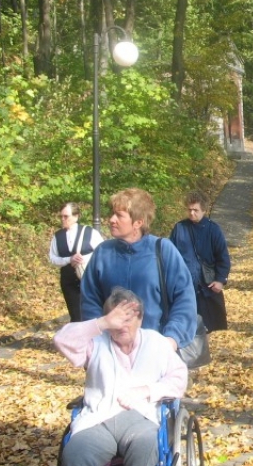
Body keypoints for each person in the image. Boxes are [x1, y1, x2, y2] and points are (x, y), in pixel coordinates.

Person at [55, 287, 188, 466]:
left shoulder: (157, 343)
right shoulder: (95, 344)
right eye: (116, 320)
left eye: (127, 319)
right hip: (98, 419)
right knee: (76, 453)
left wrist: (146, 390)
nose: (121, 325)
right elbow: (61, 340)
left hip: (143, 418)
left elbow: (179, 380)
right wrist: (101, 323)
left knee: (147, 449)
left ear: (140, 319)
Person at [81, 188, 197, 352]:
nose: (112, 219)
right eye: (112, 213)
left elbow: (185, 299)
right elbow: (89, 301)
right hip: (111, 352)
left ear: (138, 222)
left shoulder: (163, 250)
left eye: (119, 215)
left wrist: (171, 339)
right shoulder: (102, 253)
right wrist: (97, 340)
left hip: (155, 350)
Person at [169, 191, 231, 332]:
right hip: (184, 285)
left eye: (195, 210)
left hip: (206, 286)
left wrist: (220, 280)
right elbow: (170, 256)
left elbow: (223, 257)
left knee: (208, 326)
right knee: (186, 326)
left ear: (203, 210)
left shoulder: (213, 230)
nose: (192, 213)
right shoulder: (179, 229)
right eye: (189, 210)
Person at [49, 202, 104, 322]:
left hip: (89, 280)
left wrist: (84, 260)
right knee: (76, 316)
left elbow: (102, 253)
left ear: (76, 216)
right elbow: (53, 258)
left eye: (66, 216)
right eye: (61, 216)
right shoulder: (57, 236)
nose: (63, 219)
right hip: (68, 281)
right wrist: (68, 259)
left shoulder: (90, 233)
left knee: (93, 313)